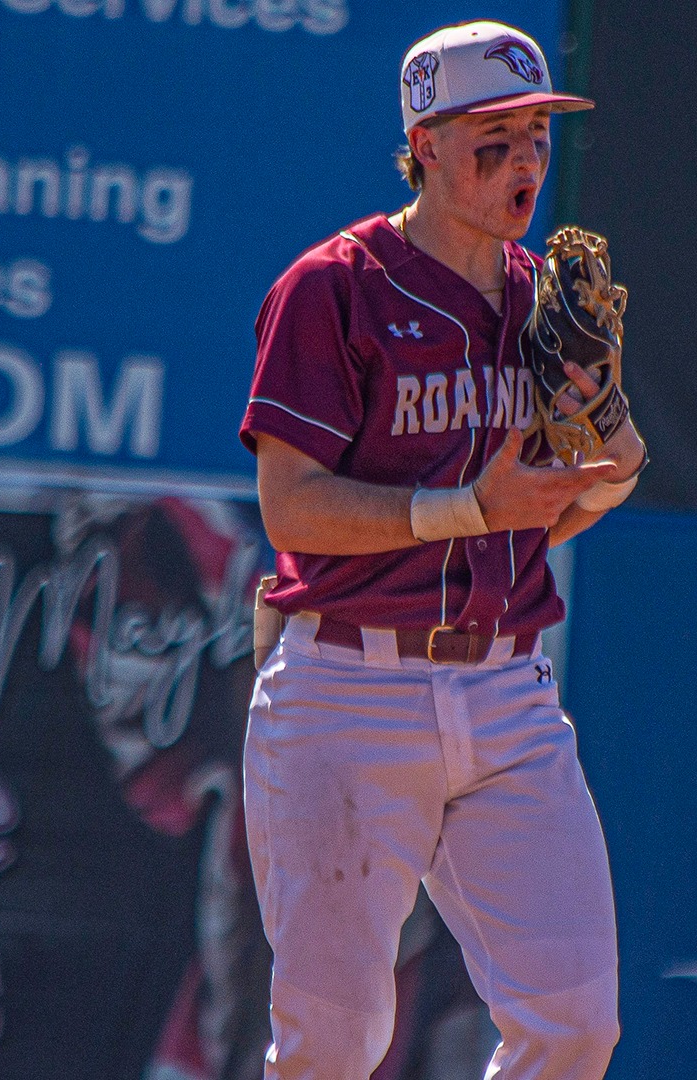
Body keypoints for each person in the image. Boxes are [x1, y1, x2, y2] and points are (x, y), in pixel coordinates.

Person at [237, 19, 647, 1080]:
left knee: (575, 1025)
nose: (523, 163)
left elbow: (579, 495)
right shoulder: (334, 287)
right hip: (346, 690)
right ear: (421, 143)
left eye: (536, 138)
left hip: (509, 697)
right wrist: (468, 507)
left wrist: (608, 434)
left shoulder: (540, 304)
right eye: (492, 139)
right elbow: (291, 508)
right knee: (332, 1045)